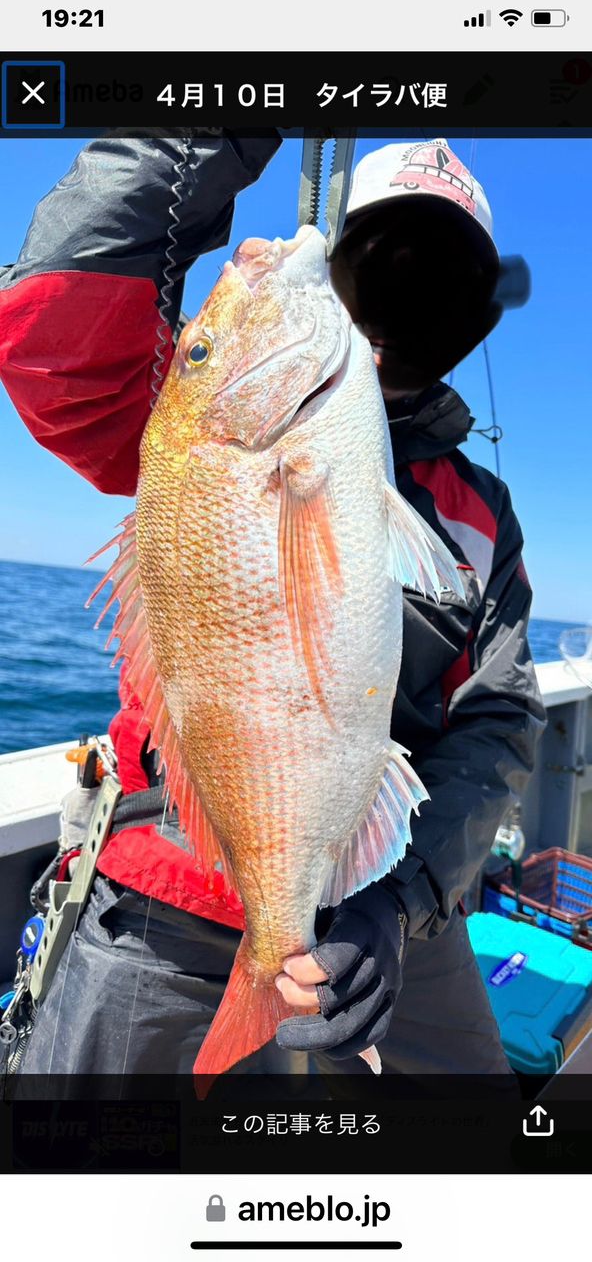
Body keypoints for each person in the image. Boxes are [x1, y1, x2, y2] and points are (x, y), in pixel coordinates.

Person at [0, 135, 546, 1076]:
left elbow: (496, 720)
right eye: (384, 254)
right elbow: (48, 321)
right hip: (170, 887)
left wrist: (399, 902)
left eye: (444, 273)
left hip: (395, 916)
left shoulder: (482, 514)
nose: (409, 286)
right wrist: (214, 113)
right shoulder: (181, 424)